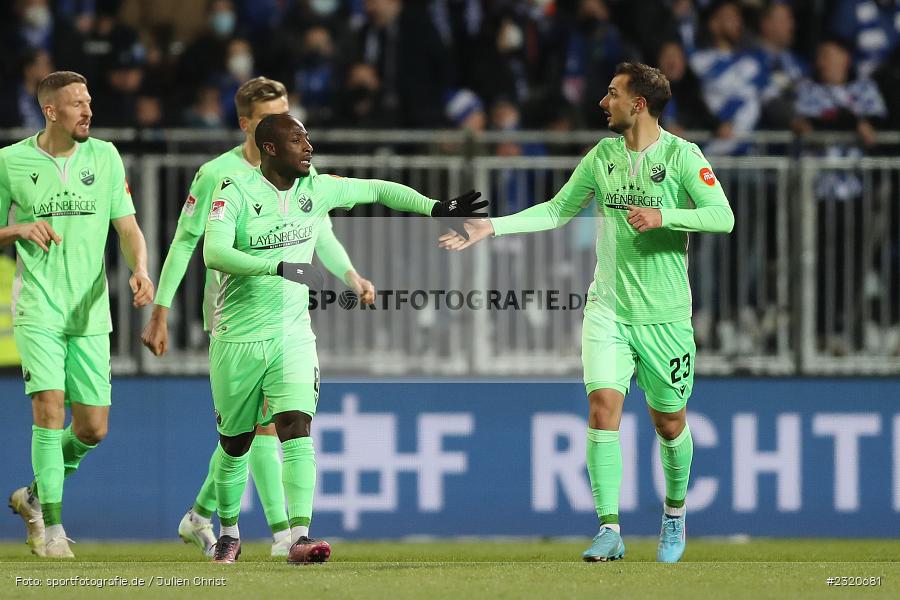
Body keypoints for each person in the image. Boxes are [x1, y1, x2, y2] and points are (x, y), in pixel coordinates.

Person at [439, 62, 734, 563]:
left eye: (613, 93)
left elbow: (722, 216)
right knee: (602, 407)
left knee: (669, 422)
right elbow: (557, 209)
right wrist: (494, 228)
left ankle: (675, 513)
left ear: (638, 104)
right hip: (608, 310)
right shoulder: (602, 156)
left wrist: (667, 215)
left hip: (664, 317)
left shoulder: (684, 157)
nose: (604, 101)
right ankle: (609, 528)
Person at [200, 112, 485, 563]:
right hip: (237, 337)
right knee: (235, 443)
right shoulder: (233, 191)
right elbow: (214, 251)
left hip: (292, 334)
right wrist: (276, 266)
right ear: (271, 148)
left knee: (296, 427)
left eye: (308, 138)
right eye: (298, 140)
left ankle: (299, 536)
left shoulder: (317, 186)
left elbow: (379, 189)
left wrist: (436, 208)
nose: (308, 147)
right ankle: (229, 532)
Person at [140, 76, 375, 558]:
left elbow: (319, 233)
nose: (290, 125)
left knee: (264, 427)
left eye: (289, 112)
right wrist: (161, 310)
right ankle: (275, 533)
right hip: (233, 316)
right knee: (248, 431)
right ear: (247, 124)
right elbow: (188, 242)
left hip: (285, 314)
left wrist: (350, 274)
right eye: (273, 114)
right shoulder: (217, 176)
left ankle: (239, 525)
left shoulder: (298, 173)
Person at [1, 70, 154, 558]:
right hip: (38, 305)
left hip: (90, 311)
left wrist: (141, 269)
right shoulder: (10, 162)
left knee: (92, 428)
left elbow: (127, 227)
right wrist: (19, 230)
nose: (88, 110)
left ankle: (34, 496)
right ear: (51, 111)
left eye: (89, 101)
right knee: (49, 409)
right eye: (77, 104)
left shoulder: (104, 156)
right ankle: (53, 531)